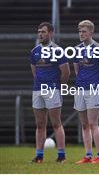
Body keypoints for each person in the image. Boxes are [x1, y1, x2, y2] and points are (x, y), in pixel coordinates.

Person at [30, 22, 70, 163]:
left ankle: (61, 156)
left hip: (53, 89)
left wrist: (57, 87)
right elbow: (34, 71)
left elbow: (66, 73)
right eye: (39, 31)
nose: (40, 34)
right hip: (37, 90)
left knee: (56, 123)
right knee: (40, 124)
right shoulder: (34, 51)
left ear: (51, 33)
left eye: (43, 31)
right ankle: (39, 155)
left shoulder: (58, 50)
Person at [73, 20, 99, 163]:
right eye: (80, 31)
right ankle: (88, 155)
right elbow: (77, 70)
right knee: (84, 124)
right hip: (80, 88)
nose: (81, 34)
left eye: (84, 31)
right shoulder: (76, 49)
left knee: (93, 123)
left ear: (91, 32)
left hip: (94, 89)